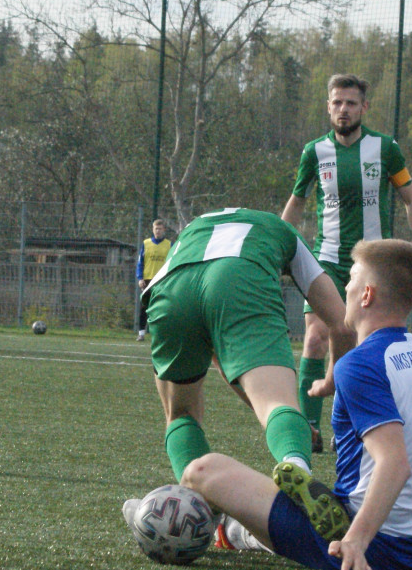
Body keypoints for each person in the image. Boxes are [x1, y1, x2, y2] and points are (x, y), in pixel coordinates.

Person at [177, 239, 412, 570]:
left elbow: (395, 463)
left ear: (367, 295)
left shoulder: (360, 364)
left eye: (352, 279)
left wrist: (356, 542)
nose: (345, 286)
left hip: (366, 539)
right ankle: (244, 533)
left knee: (202, 470)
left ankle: (217, 529)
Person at [130, 207, 355, 498]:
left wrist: (276, 420)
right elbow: (342, 325)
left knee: (180, 415)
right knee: (277, 402)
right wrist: (323, 388)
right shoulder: (283, 231)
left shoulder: (195, 228)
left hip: (171, 286)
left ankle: (203, 507)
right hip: (239, 276)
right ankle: (296, 466)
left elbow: (224, 357)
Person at [282, 73, 412, 453]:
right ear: (328, 106)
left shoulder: (385, 149)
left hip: (372, 262)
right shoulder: (314, 153)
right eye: (336, 102)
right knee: (315, 337)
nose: (343, 109)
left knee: (359, 346)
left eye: (350, 103)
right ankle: (307, 429)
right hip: (325, 259)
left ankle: (347, 425)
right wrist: (276, 245)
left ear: (363, 108)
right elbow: (297, 203)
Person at [135, 218, 171, 341]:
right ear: (152, 229)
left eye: (160, 229)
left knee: (162, 307)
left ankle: (160, 333)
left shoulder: (169, 244)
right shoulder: (146, 243)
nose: (158, 231)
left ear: (164, 230)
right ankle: (141, 333)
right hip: (148, 279)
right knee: (144, 307)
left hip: (162, 280)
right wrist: (140, 278)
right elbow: (140, 263)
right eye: (156, 228)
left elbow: (171, 262)